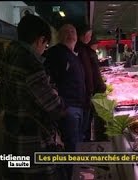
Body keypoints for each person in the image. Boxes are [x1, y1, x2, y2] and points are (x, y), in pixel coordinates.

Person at [1, 14, 68, 180]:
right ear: (40, 40)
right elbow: (55, 108)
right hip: (33, 139)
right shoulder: (30, 63)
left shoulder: (9, 54)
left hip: (14, 131)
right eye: (45, 45)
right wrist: (58, 97)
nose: (44, 49)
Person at [43, 23, 86, 179]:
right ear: (59, 36)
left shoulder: (73, 54)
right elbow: (49, 82)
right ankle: (70, 175)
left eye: (73, 31)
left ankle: (73, 173)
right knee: (70, 146)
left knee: (75, 144)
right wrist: (63, 106)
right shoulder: (56, 53)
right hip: (68, 108)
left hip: (78, 107)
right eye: (66, 31)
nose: (70, 33)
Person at [74, 24, 97, 142]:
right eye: (89, 35)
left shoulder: (75, 50)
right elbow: (90, 74)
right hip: (84, 96)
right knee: (83, 128)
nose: (90, 38)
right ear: (84, 36)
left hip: (78, 97)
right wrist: (97, 89)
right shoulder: (85, 51)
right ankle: (84, 148)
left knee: (81, 128)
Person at [88, 36, 107, 141]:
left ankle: (97, 138)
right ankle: (100, 138)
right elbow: (95, 73)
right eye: (96, 44)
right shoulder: (90, 54)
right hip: (95, 92)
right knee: (97, 115)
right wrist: (102, 87)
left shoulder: (87, 53)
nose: (97, 46)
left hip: (92, 92)